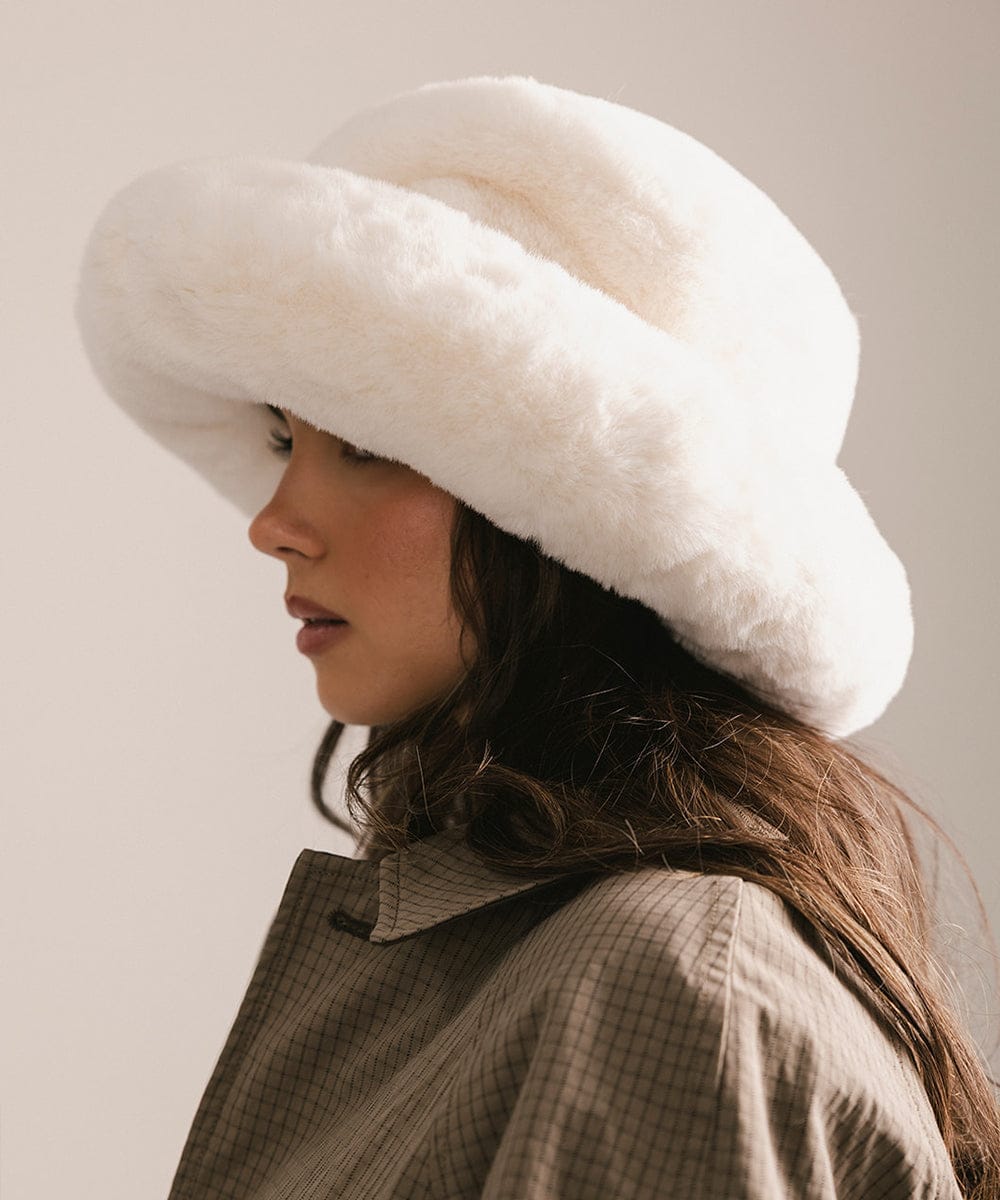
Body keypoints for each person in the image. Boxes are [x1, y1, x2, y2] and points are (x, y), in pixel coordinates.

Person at [74, 74, 999, 1199]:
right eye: (283, 441)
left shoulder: (664, 982)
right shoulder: (554, 946)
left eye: (364, 443)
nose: (273, 525)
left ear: (569, 525)